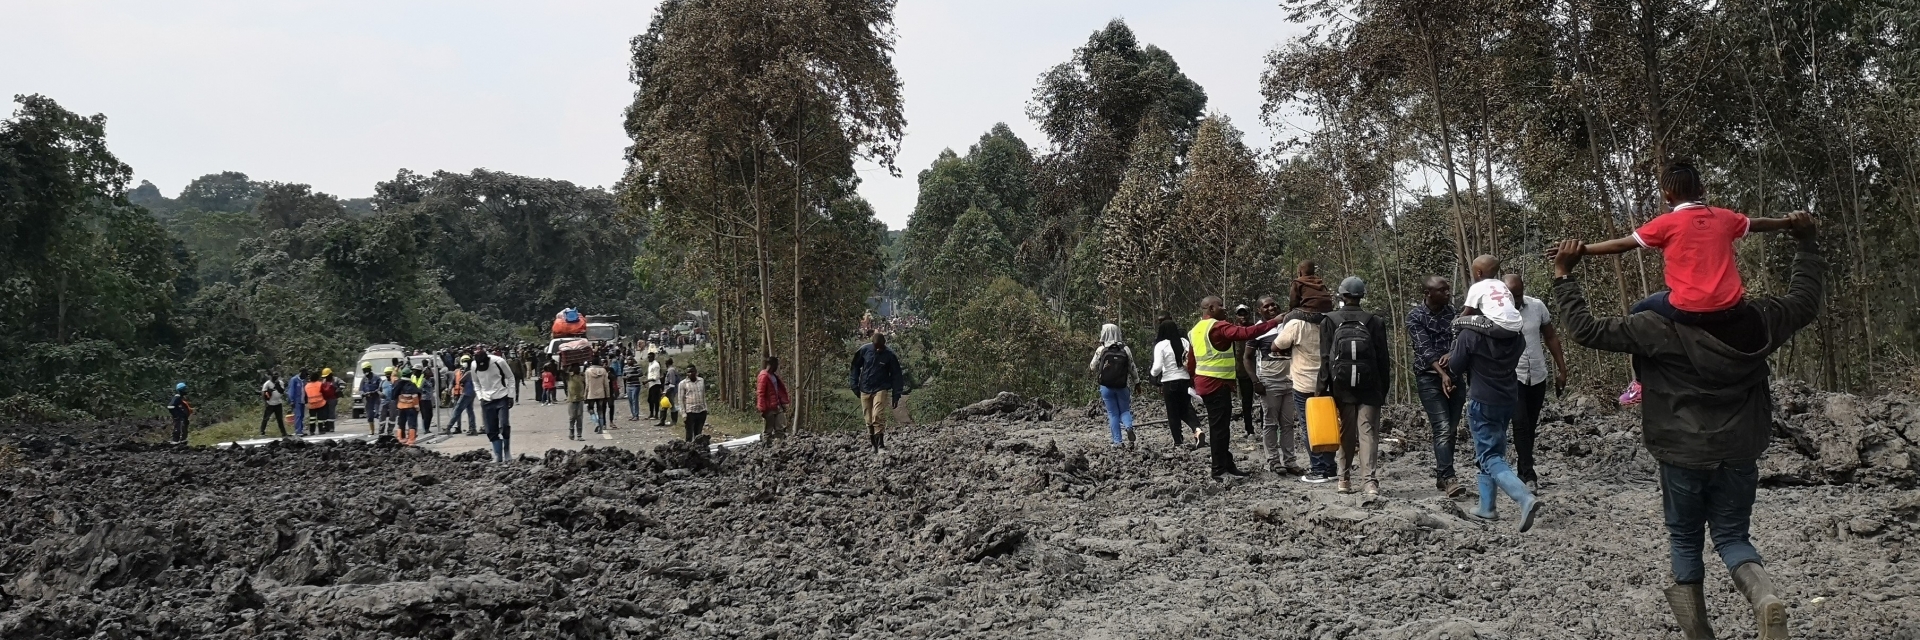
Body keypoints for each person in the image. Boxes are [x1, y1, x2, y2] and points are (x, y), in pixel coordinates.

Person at [1550, 212, 1819, 640]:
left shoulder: (1653, 326)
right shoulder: (1760, 319)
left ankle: (1699, 634)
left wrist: (1565, 277)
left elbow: (1585, 330)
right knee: (1732, 536)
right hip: (1739, 449)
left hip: (1681, 451)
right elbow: (1805, 299)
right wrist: (1805, 243)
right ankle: (1765, 599)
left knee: (1685, 538)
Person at [1570, 161, 1806, 324]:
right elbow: (1759, 223)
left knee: (1639, 310)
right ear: (1701, 189)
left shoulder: (1665, 223)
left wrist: (1583, 250)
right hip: (1731, 306)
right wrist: (1787, 222)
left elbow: (1622, 244)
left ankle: (1640, 381)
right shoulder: (1724, 217)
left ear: (1667, 195)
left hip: (1687, 308)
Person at [1447, 254, 1538, 531]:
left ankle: (1523, 497)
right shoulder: (1517, 337)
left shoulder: (1470, 335)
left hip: (1482, 398)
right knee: (1493, 448)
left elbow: (1454, 365)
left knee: (1488, 454)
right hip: (1508, 396)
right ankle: (1487, 508)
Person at [1186, 296, 1284, 478]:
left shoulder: (1195, 330)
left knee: (1220, 426)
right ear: (1211, 308)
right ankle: (1219, 470)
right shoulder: (1218, 327)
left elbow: (1192, 361)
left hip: (1206, 383)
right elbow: (1246, 333)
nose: (1224, 309)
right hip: (1217, 383)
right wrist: (1273, 323)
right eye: (1220, 306)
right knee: (1219, 429)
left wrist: (1193, 381)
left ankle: (1227, 464)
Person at [1321, 277, 1391, 496]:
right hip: (1370, 387)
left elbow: (1324, 358)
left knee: (1346, 433)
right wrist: (1383, 390)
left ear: (1341, 296)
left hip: (1341, 386)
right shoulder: (1374, 321)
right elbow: (1383, 360)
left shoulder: (1330, 320)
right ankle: (1370, 482)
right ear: (1362, 296)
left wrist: (1321, 389)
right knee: (1368, 432)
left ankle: (1344, 479)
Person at [1505, 274, 1569, 491]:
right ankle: (1530, 474)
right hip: (1513, 375)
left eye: (1519, 294)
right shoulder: (1498, 312)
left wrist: (1561, 368)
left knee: (1530, 425)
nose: (1516, 300)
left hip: (1538, 374)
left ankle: (1522, 470)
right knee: (1520, 422)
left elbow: (1550, 336)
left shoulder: (1537, 306)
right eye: (1512, 296)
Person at [1407, 276, 1468, 498]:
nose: (1447, 293)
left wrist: (1452, 355)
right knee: (1441, 427)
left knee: (1451, 429)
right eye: (1442, 290)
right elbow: (1423, 347)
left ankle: (1442, 475)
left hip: (1455, 376)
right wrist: (1442, 373)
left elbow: (1461, 339)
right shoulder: (1416, 317)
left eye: (1448, 289)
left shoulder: (1454, 314)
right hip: (1429, 378)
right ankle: (1450, 477)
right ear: (1428, 293)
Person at [1266, 290, 1335, 483]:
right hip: (1327, 381)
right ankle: (1330, 467)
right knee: (1328, 424)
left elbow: (1275, 346)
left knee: (1309, 427)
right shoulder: (1329, 321)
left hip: (1304, 382)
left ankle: (1318, 469)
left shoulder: (1297, 323)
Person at [1250, 297, 1299, 474]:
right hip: (1269, 382)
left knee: (1288, 423)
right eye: (1266, 306)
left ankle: (1290, 461)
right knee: (1270, 423)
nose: (1271, 307)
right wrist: (1255, 381)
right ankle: (1273, 460)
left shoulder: (1288, 326)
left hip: (1289, 380)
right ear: (1259, 311)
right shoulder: (1258, 330)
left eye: (1273, 304)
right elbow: (1247, 358)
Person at [1148, 318, 1203, 447]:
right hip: (1185, 381)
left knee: (1173, 413)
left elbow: (1157, 367)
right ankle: (1197, 429)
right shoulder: (1184, 342)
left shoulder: (1161, 345)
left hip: (1169, 382)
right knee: (1186, 408)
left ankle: (1178, 441)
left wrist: (1152, 376)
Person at [849, 332, 905, 452]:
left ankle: (881, 444)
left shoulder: (890, 355)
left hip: (881, 388)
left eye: (881, 346)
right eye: (876, 346)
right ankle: (873, 445)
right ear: (873, 344)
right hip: (865, 388)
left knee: (877, 415)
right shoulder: (864, 350)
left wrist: (896, 395)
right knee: (868, 419)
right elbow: (855, 367)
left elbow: (896, 375)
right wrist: (854, 385)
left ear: (884, 344)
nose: (879, 349)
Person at [1089, 323, 1137, 447]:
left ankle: (1117, 441)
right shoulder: (1125, 349)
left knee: (1113, 414)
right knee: (1125, 410)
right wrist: (1137, 382)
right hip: (1122, 385)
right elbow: (1132, 367)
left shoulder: (1101, 350)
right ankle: (1128, 427)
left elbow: (1092, 367)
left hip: (1106, 387)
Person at [472, 348, 518, 463]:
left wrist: (511, 395)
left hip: (501, 397)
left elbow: (511, 377)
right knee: (490, 429)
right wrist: (480, 396)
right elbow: (475, 382)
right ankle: (498, 455)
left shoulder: (499, 361)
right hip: (486, 400)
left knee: (504, 425)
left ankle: (507, 451)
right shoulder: (474, 365)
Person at [1462, 255, 1524, 334]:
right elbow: (1511, 303)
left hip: (1499, 326)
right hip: (1517, 325)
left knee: (1458, 322)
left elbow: (1467, 312)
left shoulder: (1476, 287)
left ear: (1478, 273)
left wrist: (1458, 319)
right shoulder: (1501, 285)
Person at [1231, 306, 1260, 439]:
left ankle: (1265, 426)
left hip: (1257, 370)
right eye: (1240, 315)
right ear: (1236, 316)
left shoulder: (1254, 329)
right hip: (1242, 371)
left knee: (1263, 401)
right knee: (1246, 402)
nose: (1242, 317)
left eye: (1245, 314)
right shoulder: (1233, 331)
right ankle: (1250, 429)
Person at [758, 356, 791, 439]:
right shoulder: (764, 376)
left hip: (777, 405)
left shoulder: (774, 376)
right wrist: (762, 408)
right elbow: (760, 393)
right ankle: (766, 446)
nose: (777, 366)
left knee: (780, 428)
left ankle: (779, 446)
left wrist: (783, 403)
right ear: (772, 364)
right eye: (776, 364)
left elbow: (778, 391)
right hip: (769, 408)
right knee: (768, 430)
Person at [679, 365, 709, 441]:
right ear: (686, 374)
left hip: (701, 411)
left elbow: (703, 395)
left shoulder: (701, 381)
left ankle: (698, 450)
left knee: (698, 434)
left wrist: (705, 408)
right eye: (689, 372)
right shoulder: (683, 383)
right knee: (689, 434)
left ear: (696, 372)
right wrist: (683, 413)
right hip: (690, 412)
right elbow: (681, 399)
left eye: (692, 371)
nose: (691, 373)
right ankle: (688, 450)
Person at [394, 368, 423, 445]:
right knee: (412, 424)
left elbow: (393, 396)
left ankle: (400, 439)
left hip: (400, 408)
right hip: (410, 408)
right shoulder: (411, 385)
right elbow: (415, 396)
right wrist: (417, 407)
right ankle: (411, 440)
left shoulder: (398, 384)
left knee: (401, 423)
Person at [450, 355, 478, 435]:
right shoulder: (457, 371)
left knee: (467, 411)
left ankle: (472, 428)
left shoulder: (470, 372)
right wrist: (449, 389)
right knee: (457, 411)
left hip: (466, 393)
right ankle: (457, 427)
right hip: (457, 393)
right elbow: (453, 382)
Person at [259, 372, 288, 437]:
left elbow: (282, 391)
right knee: (266, 418)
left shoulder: (280, 382)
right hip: (270, 404)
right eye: (274, 376)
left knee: (280, 419)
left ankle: (283, 433)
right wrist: (265, 402)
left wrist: (277, 384)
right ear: (271, 376)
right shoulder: (267, 384)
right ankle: (262, 431)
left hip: (278, 403)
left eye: (277, 376)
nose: (275, 377)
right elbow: (263, 393)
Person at [585, 359, 610, 434]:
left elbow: (587, 384)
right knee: (600, 410)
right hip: (601, 393)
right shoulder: (603, 371)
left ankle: (596, 422)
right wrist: (607, 394)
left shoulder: (588, 371)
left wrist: (585, 395)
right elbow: (606, 384)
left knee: (590, 409)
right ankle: (601, 428)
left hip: (591, 393)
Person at [358, 363, 382, 435]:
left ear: (370, 369)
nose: (365, 371)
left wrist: (374, 392)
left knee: (378, 413)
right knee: (369, 415)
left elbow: (380, 387)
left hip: (376, 398)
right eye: (363, 370)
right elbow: (360, 389)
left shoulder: (377, 378)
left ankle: (381, 429)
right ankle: (372, 430)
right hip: (367, 400)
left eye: (366, 369)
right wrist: (363, 394)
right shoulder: (364, 379)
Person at [658, 358, 683, 428]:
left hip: (671, 391)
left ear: (667, 363)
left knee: (672, 406)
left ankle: (673, 421)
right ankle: (662, 421)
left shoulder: (671, 371)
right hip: (669, 390)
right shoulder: (670, 370)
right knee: (664, 405)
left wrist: (666, 391)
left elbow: (672, 383)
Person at [566, 364, 586, 441]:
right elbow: (562, 372)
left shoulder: (581, 376)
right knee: (572, 418)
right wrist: (569, 367)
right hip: (571, 400)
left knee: (579, 418)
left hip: (580, 399)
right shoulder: (569, 376)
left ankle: (579, 435)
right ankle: (571, 433)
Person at [414, 366, 437, 433]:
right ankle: (426, 429)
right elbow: (419, 388)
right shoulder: (423, 380)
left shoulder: (430, 380)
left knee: (430, 415)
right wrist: (423, 392)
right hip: (424, 399)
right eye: (428, 372)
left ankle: (427, 428)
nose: (430, 373)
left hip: (428, 399)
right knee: (426, 415)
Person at [624, 357, 645, 422]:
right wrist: (626, 377)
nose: (629, 361)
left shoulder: (636, 366)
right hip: (628, 385)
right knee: (630, 400)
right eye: (628, 359)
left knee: (634, 400)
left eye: (630, 359)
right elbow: (623, 375)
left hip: (635, 385)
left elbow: (641, 373)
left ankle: (636, 415)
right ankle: (633, 415)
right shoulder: (625, 367)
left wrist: (632, 375)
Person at [288, 369, 307, 437]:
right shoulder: (294, 380)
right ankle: (298, 431)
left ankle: (301, 430)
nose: (305, 375)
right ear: (301, 373)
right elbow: (291, 390)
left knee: (302, 415)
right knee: (298, 415)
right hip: (296, 400)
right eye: (305, 373)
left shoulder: (303, 381)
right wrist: (292, 400)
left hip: (302, 400)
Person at [646, 352, 663, 421]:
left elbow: (656, 377)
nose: (648, 358)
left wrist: (647, 381)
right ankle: (651, 413)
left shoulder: (656, 365)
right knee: (650, 400)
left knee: (655, 400)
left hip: (655, 384)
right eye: (648, 357)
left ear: (653, 357)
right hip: (651, 384)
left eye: (650, 357)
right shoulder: (650, 364)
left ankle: (656, 414)